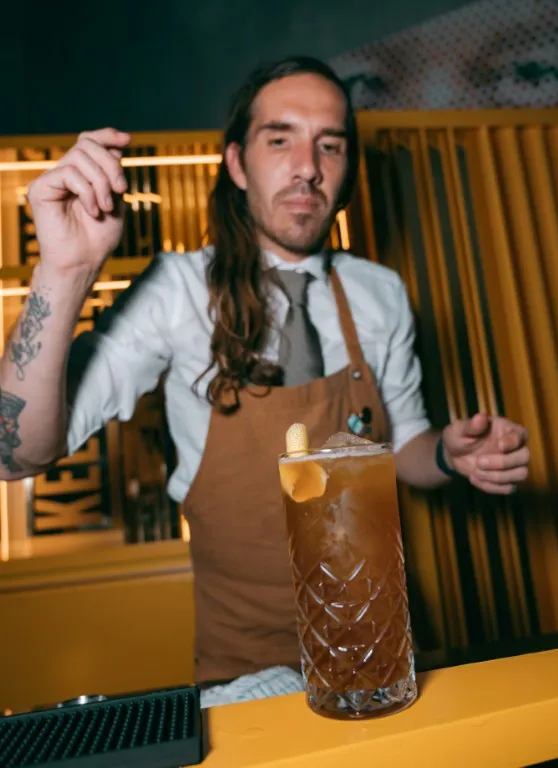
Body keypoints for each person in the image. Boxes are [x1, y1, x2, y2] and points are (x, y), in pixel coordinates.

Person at [0, 56, 530, 686]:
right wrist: (63, 271)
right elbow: (15, 454)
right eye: (280, 140)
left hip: (382, 648)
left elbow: (405, 446)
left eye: (329, 145)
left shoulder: (379, 292)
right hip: (244, 674)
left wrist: (448, 454)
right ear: (236, 163)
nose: (307, 166)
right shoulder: (175, 290)